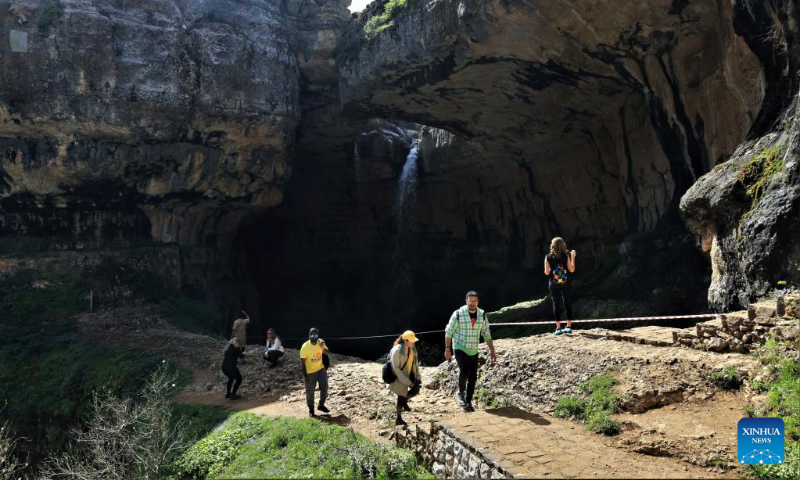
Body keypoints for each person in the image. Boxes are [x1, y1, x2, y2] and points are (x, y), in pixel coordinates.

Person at [445, 291, 496, 412]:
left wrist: (492, 351)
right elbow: (449, 332)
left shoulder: (482, 315)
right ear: (466, 300)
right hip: (459, 346)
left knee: (473, 377)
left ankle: (468, 402)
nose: (472, 303)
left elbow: (486, 333)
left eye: (474, 301)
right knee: (465, 370)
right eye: (470, 301)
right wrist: (447, 349)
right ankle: (460, 392)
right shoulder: (458, 314)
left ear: (478, 302)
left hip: (473, 348)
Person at [544, 237, 577, 335]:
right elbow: (571, 270)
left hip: (553, 284)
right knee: (567, 303)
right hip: (565, 282)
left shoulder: (548, 257)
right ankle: (569, 327)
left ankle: (558, 328)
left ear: (552, 245)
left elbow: (546, 273)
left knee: (556, 304)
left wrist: (552, 271)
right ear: (563, 245)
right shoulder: (566, 256)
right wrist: (573, 257)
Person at [389, 330, 422, 426]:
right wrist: (407, 382)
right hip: (399, 375)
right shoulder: (396, 351)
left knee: (416, 389)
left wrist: (418, 376)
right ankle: (398, 419)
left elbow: (415, 363)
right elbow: (396, 369)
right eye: (412, 341)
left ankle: (404, 401)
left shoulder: (413, 348)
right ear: (406, 341)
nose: (414, 342)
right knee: (401, 395)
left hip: (409, 372)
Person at [300, 328, 330, 417]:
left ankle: (321, 405)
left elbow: (327, 352)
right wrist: (305, 376)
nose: (314, 337)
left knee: (325, 386)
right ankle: (311, 409)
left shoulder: (320, 342)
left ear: (318, 336)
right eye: (312, 335)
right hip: (310, 372)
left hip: (321, 369)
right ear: (309, 336)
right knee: (310, 392)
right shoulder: (305, 347)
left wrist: (323, 347)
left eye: (316, 335)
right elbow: (303, 363)